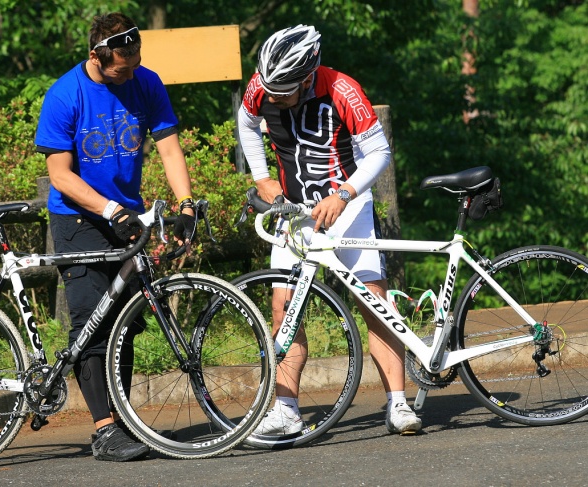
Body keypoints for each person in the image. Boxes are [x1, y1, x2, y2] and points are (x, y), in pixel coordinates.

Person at [237, 25, 422, 435]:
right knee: (284, 309)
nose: (271, 98)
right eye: (267, 88)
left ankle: (398, 404)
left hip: (348, 207)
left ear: (306, 78)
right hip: (294, 210)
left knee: (373, 303)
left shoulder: (342, 88)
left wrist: (345, 193)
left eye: (281, 91)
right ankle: (285, 411)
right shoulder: (263, 84)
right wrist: (262, 176)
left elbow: (379, 151)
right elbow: (246, 122)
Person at [34, 12, 197, 461]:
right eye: (120, 69)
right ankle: (105, 431)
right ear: (96, 57)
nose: (129, 74)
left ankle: (120, 418)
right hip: (79, 219)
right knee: (93, 322)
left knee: (125, 324)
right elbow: (60, 176)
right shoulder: (65, 95)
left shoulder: (146, 82)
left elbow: (168, 147)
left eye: (135, 63)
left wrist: (185, 204)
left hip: (128, 215)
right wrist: (109, 209)